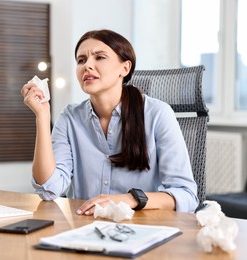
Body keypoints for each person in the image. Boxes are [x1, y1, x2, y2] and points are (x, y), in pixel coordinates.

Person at [20, 29, 199, 215]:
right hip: (86, 230)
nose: (87, 65)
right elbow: (49, 189)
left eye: (99, 57)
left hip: (142, 229)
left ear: (125, 68)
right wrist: (42, 116)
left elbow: (185, 195)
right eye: (81, 60)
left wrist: (129, 199)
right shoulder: (70, 118)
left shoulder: (158, 114)